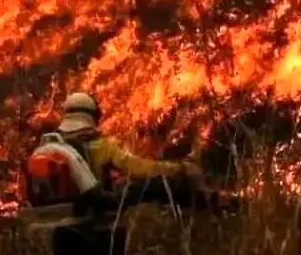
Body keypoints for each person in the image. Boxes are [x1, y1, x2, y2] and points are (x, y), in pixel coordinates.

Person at [34, 92, 203, 255]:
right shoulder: (101, 145)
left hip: (61, 233)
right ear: (92, 115)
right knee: (147, 187)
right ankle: (210, 201)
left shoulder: (47, 146)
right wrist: (177, 168)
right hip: (97, 226)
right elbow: (139, 168)